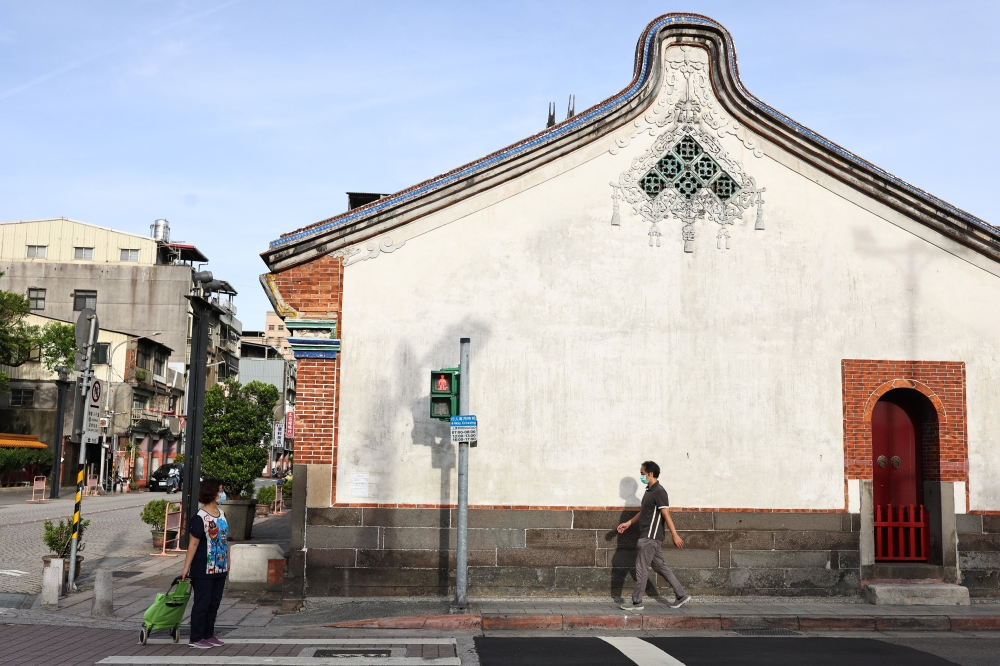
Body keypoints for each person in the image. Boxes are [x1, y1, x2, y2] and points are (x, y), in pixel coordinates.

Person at [616, 461, 692, 610]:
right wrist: (629, 523)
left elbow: (666, 515)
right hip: (650, 538)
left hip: (649, 538)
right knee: (660, 567)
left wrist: (674, 535)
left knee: (641, 568)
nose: (641, 476)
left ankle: (637, 602)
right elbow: (644, 512)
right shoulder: (649, 491)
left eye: (642, 473)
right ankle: (681, 595)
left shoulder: (659, 491)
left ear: (650, 474)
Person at [180, 477, 229, 649]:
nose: (222, 494)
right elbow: (192, 544)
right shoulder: (199, 518)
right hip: (203, 568)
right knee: (202, 602)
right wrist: (186, 568)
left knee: (214, 603)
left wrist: (227, 561)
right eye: (220, 490)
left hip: (220, 566)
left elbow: (224, 540)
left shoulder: (222, 514)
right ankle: (196, 637)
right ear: (212, 493)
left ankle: (209, 634)